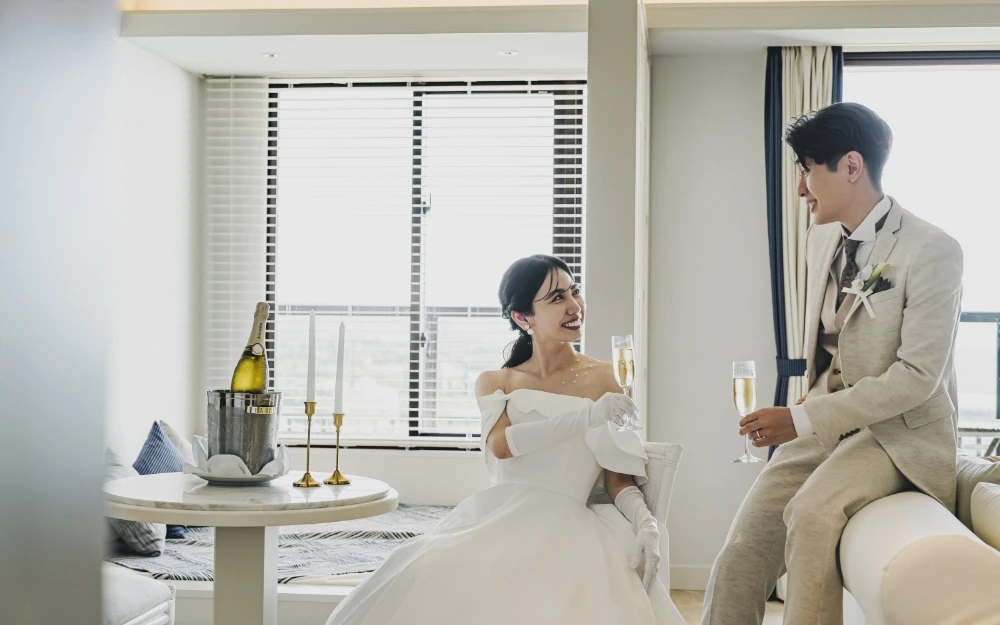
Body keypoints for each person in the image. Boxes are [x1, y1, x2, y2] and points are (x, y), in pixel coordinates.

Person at [703, 102, 964, 625]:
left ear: (851, 166)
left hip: (898, 434)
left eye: (807, 170)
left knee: (811, 512)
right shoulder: (821, 238)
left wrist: (801, 418)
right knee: (743, 547)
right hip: (827, 420)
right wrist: (811, 404)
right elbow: (833, 344)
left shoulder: (932, 249)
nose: (801, 188)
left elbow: (918, 377)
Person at [326, 254, 684, 625]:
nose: (575, 306)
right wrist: (588, 415)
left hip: (566, 523)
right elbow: (501, 445)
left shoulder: (607, 378)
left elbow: (618, 477)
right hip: (496, 515)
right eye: (557, 298)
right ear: (523, 317)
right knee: (428, 571)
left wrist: (646, 522)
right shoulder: (497, 382)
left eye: (574, 291)